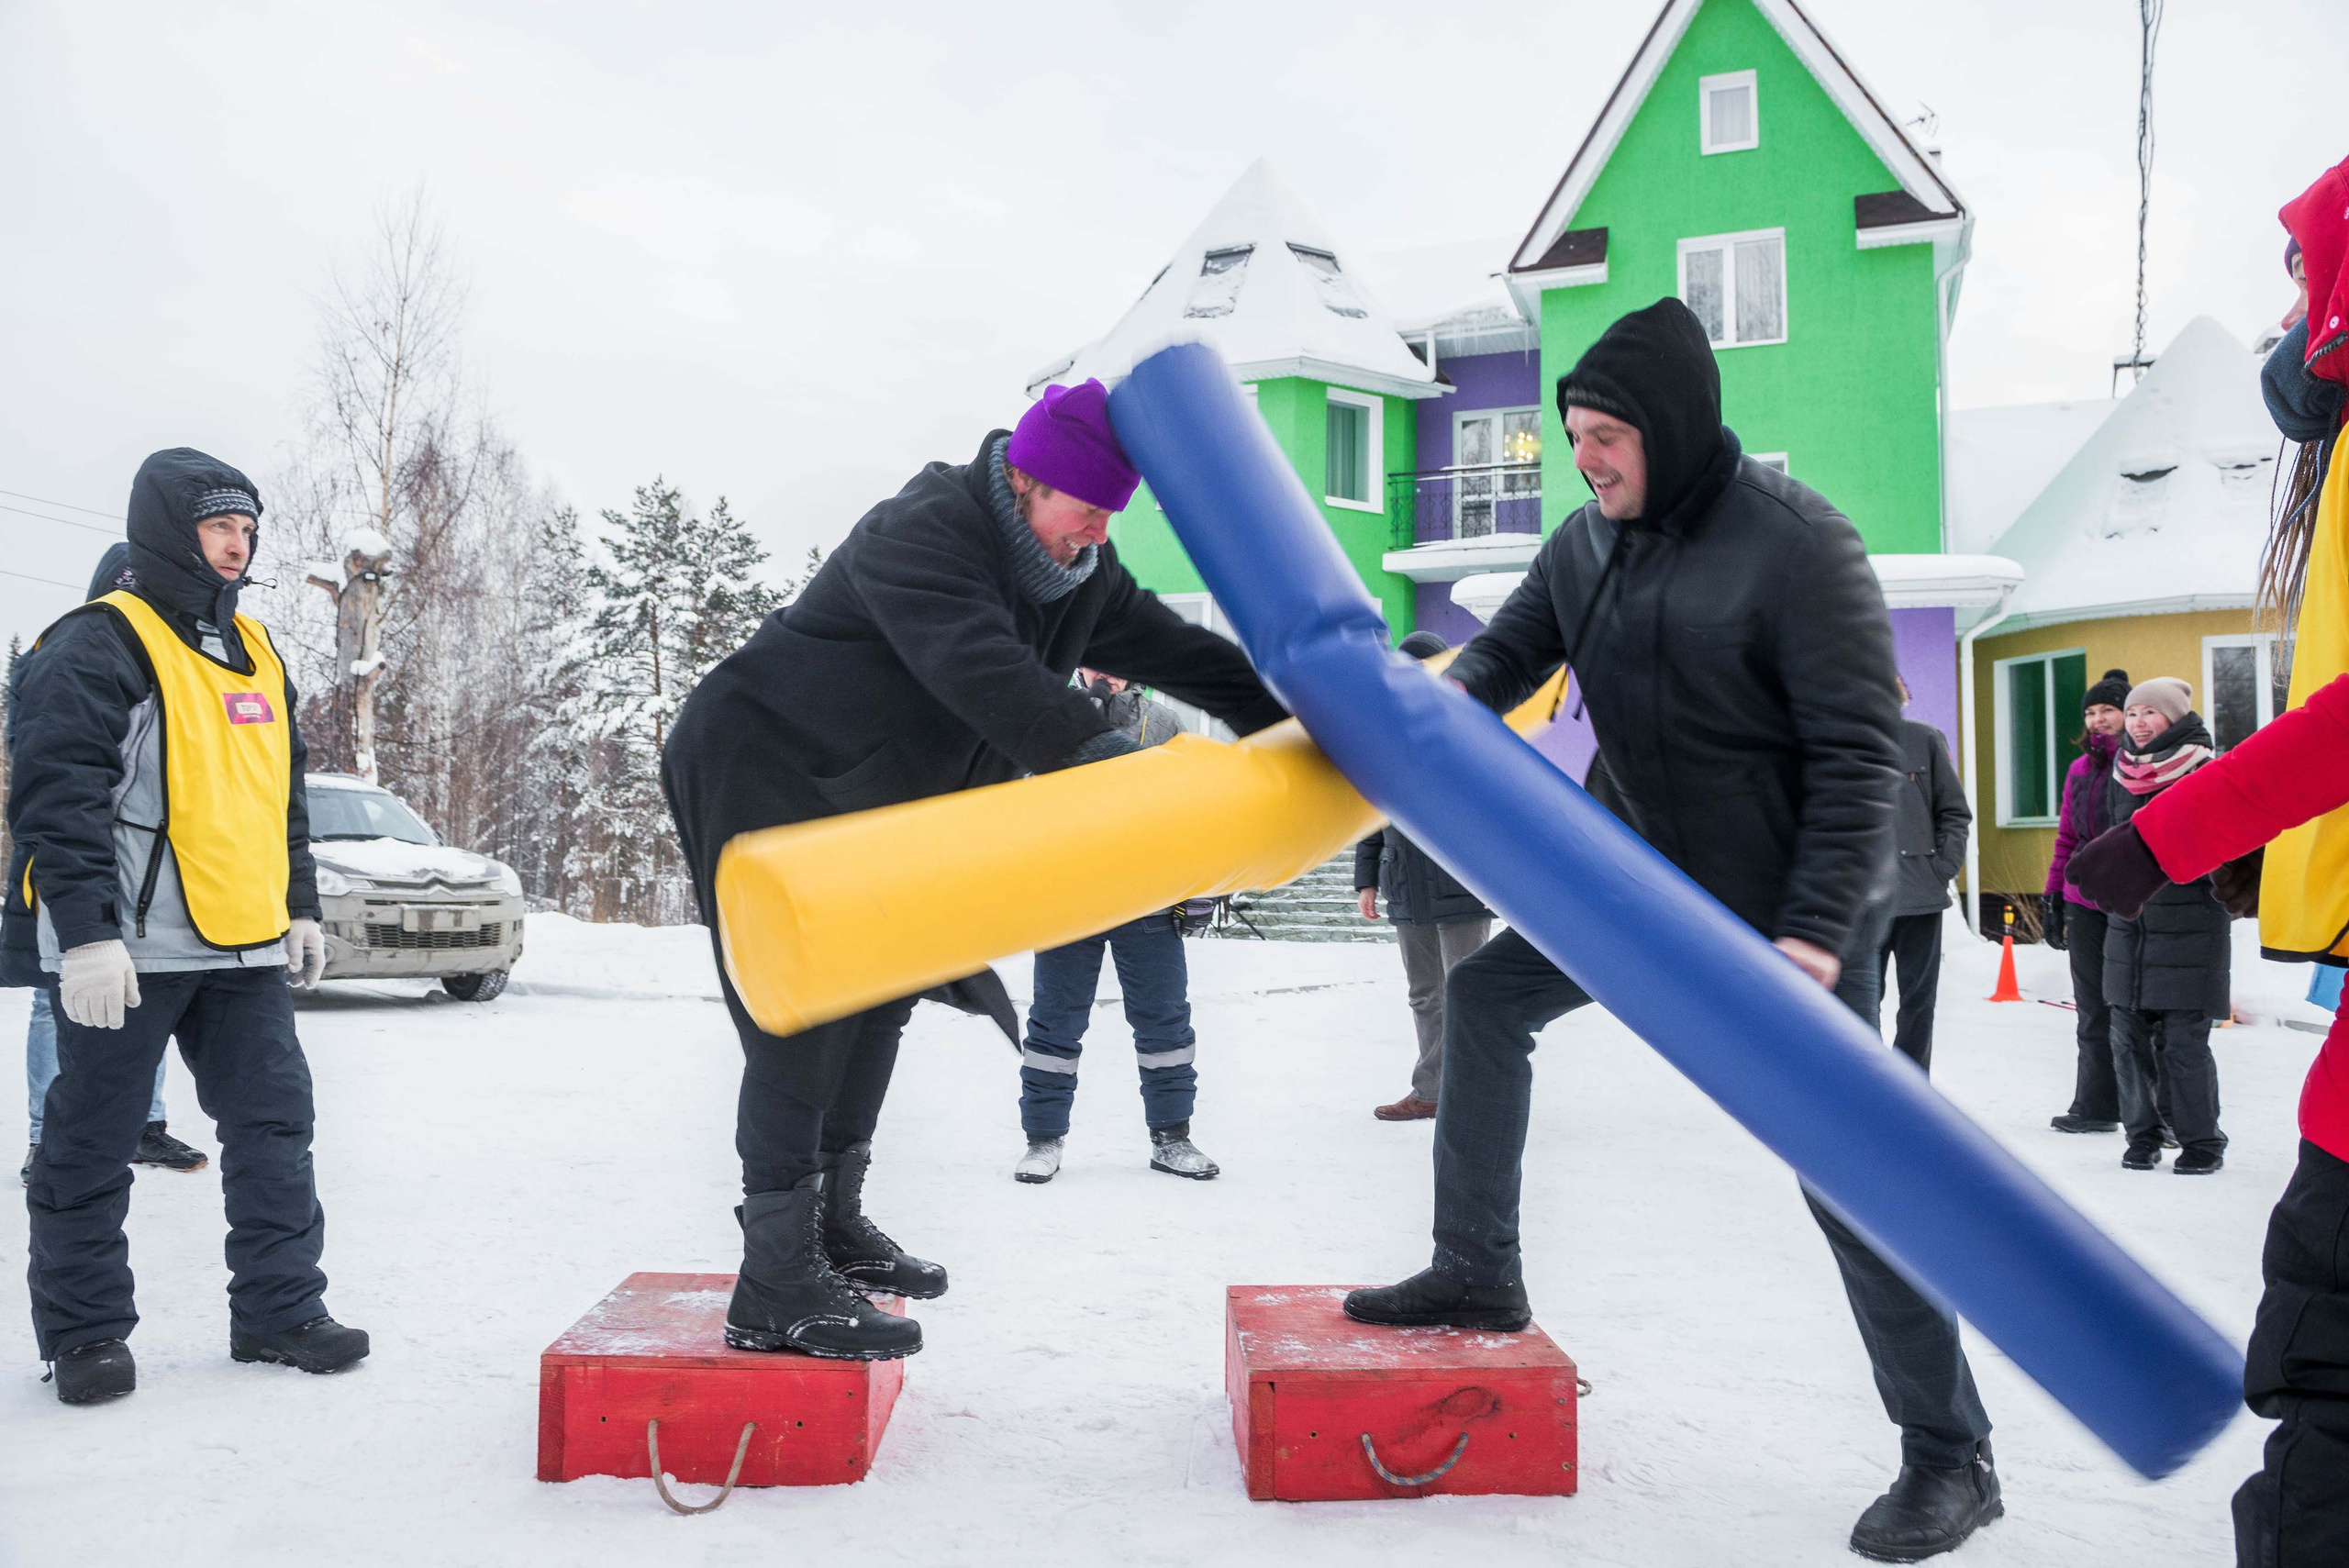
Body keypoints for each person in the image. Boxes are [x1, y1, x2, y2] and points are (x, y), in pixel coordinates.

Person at [1343, 299, 1998, 1562]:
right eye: (1573, 435)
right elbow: (1499, 667)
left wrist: (1816, 929)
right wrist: (1401, 719)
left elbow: (1864, 757)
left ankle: (1949, 1454)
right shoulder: (1583, 546)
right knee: (1487, 1002)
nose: (1584, 459)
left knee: (1847, 1175)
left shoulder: (1799, 546)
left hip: (1784, 910)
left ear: (1673, 426)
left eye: (1604, 435)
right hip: (1632, 874)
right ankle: (1477, 1266)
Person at [662, 381, 1285, 1361]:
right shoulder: (926, 530)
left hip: (873, 795)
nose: (1092, 537)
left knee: (887, 983)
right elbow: (987, 673)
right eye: (1084, 513)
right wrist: (1126, 779)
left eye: (1106, 521)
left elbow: (1180, 652)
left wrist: (1287, 720)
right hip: (764, 763)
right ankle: (772, 1280)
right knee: (801, 1000)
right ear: (1030, 482)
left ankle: (831, 1223)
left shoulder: (1076, 569)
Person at [9, 449, 365, 1405]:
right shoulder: (98, 642)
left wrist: (298, 906)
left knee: (275, 1127)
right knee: (91, 1140)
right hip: (128, 949)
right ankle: (84, 1333)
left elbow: (279, 798)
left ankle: (281, 1310)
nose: (237, 545)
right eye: (218, 527)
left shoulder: (257, 651)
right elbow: (57, 798)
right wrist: (84, 934)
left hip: (242, 945)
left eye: (247, 529)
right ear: (171, 533)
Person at [16, 544, 205, 1186]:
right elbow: (52, 779)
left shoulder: (166, 659)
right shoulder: (70, 653)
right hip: (67, 867)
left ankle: (144, 1124)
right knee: (59, 1003)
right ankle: (47, 1136)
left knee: (137, 995)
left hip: (143, 878)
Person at [1012, 669, 1217, 1184]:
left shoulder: (1164, 722)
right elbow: (1019, 806)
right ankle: (1043, 1140)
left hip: (1147, 899)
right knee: (1054, 1024)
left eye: (1119, 661)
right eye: (1098, 661)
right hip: (1068, 901)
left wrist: (1200, 886)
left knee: (1165, 1024)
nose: (1110, 672)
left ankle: (1172, 1138)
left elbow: (1194, 808)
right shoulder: (1047, 712)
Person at [1353, 630, 1492, 1121]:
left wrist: (1492, 879)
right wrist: (1367, 878)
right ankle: (1432, 1092)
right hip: (1406, 883)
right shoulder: (1385, 735)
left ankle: (1476, 1092)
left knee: (1469, 992)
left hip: (1461, 885)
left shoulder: (1471, 731)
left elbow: (1491, 813)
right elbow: (1370, 813)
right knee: (1425, 993)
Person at [2098, 677, 2229, 1175]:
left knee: (2183, 1043)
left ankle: (2202, 1143)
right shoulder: (2122, 772)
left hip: (2191, 925)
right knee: (2126, 1039)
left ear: (2173, 718)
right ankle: (2142, 1137)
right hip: (2130, 925)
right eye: (2133, 714)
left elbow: (2222, 851)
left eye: (2151, 713)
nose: (2139, 723)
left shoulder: (2206, 771)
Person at [2041, 669, 2132, 1134]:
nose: (2097, 720)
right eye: (2091, 712)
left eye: (2107, 711)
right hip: (2083, 898)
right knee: (2092, 1006)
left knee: (2135, 1007)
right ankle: (2094, 1106)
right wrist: (2054, 894)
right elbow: (2067, 836)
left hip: (2132, 899)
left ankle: (2158, 1112)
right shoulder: (2080, 769)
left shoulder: (2141, 763)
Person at [1879, 673, 1968, 1072]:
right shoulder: (1836, 741)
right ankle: (1865, 1085)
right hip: (1862, 901)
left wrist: (1943, 868)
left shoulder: (1925, 739)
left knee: (1918, 1001)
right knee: (1859, 999)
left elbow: (1953, 811)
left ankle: (1911, 1086)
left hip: (1920, 896)